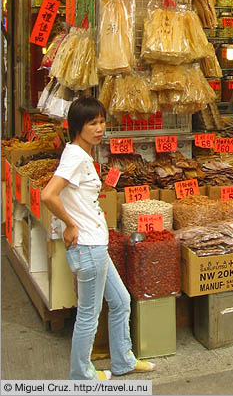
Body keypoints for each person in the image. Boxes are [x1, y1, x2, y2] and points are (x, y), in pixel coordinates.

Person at [41, 97, 155, 381]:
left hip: (96, 245)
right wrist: (70, 225)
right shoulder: (76, 157)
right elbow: (48, 195)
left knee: (121, 301)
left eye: (102, 122)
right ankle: (81, 374)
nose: (100, 128)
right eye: (93, 123)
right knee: (89, 316)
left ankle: (123, 360)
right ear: (78, 126)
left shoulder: (83, 154)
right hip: (88, 248)